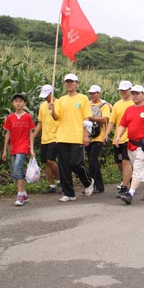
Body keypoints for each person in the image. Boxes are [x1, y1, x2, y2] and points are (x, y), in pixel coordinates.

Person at [51, 73, 95, 202]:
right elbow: (56, 117)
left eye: (71, 82)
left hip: (77, 135)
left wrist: (86, 135)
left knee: (75, 163)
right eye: (67, 82)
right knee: (63, 167)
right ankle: (69, 193)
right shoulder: (60, 100)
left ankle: (87, 182)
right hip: (62, 136)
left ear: (77, 83)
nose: (69, 84)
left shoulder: (83, 99)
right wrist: (52, 110)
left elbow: (87, 118)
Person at [2, 93, 35, 206]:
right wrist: (4, 150)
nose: (18, 103)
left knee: (17, 168)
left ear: (24, 103)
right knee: (16, 170)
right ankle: (24, 193)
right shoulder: (10, 118)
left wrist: (31, 149)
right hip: (13, 147)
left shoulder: (28, 116)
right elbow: (7, 133)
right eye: (16, 101)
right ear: (12, 103)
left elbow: (31, 133)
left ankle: (20, 195)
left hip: (23, 146)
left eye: (20, 101)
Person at [104, 80, 134, 198]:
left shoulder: (134, 103)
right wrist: (106, 134)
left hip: (130, 137)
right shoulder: (117, 104)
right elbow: (111, 121)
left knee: (126, 162)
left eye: (125, 90)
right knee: (120, 163)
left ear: (130, 90)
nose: (123, 92)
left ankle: (124, 187)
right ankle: (130, 179)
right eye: (121, 90)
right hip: (118, 138)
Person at [32, 84, 60, 193]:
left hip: (56, 137)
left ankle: (60, 181)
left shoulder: (59, 104)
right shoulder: (42, 106)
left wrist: (52, 110)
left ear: (51, 93)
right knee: (46, 162)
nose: (45, 98)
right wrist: (33, 136)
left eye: (47, 95)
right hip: (45, 138)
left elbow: (58, 118)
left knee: (51, 160)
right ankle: (51, 185)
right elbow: (40, 122)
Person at [86, 84, 111, 194]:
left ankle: (92, 184)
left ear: (99, 93)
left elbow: (105, 119)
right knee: (93, 161)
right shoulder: (87, 104)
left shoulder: (104, 105)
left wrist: (90, 118)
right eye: (90, 93)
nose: (92, 95)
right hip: (88, 135)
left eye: (94, 93)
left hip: (99, 136)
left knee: (92, 160)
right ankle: (99, 185)